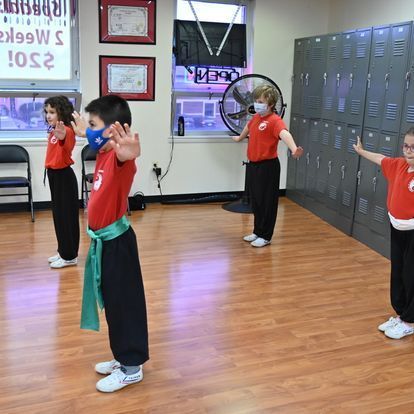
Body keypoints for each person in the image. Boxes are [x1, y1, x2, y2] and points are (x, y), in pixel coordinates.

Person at [71, 95, 149, 392]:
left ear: (112, 130)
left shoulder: (118, 158)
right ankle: (122, 357)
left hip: (118, 243)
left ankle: (132, 368)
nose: (88, 130)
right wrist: (84, 130)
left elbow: (124, 157)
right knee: (114, 304)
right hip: (105, 243)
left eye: (93, 124)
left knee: (125, 304)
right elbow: (96, 140)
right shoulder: (102, 151)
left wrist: (130, 155)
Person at [353, 129, 414, 339]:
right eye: (406, 146)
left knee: (411, 274)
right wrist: (361, 151)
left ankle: (410, 320)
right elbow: (381, 158)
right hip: (397, 228)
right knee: (398, 271)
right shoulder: (398, 165)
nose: (409, 151)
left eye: (413, 147)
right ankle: (401, 313)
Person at [232, 84, 303, 247]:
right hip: (254, 165)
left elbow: (285, 134)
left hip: (268, 167)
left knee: (267, 202)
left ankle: (266, 235)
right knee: (256, 201)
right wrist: (239, 138)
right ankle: (257, 231)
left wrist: (293, 149)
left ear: (270, 104)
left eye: (259, 101)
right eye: (255, 100)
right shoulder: (256, 117)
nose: (256, 103)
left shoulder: (274, 121)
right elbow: (247, 128)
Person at [44, 96, 80, 269]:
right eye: (46, 112)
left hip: (64, 177)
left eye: (52, 112)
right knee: (59, 216)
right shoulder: (53, 130)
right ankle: (63, 250)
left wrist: (64, 136)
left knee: (66, 217)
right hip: (54, 176)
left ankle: (69, 256)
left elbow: (68, 143)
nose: (48, 115)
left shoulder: (66, 130)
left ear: (61, 112)